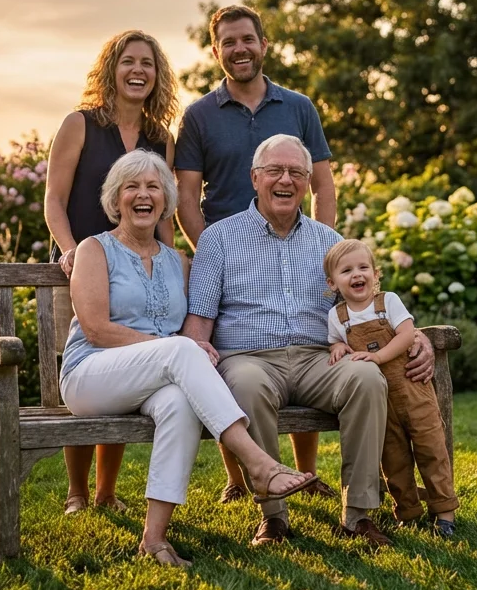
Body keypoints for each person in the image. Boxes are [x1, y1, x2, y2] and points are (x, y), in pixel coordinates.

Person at [61, 149, 318, 567]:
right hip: (90, 376)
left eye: (153, 187)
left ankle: (154, 538)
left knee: (181, 403)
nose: (143, 195)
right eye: (131, 187)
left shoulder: (178, 262)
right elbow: (96, 329)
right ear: (116, 199)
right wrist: (176, 348)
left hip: (154, 379)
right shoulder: (94, 249)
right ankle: (258, 464)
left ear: (165, 199)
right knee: (181, 347)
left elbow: (194, 324)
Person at [181, 134, 436, 547]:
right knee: (245, 385)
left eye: (296, 172)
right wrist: (195, 354)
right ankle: (273, 516)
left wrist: (416, 334)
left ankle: (358, 515)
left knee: (367, 379)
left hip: (321, 358)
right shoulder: (219, 238)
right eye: (275, 171)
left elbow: (368, 305)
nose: (286, 180)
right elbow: (200, 317)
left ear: (306, 182)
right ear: (255, 178)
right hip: (249, 358)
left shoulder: (328, 242)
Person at [173, 4, 337, 504]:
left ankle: (304, 471)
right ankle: (241, 477)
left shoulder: (299, 107)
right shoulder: (199, 116)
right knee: (237, 357)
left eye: (247, 39)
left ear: (264, 45)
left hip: (296, 246)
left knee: (303, 340)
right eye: (228, 42)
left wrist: (321, 252)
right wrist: (214, 256)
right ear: (216, 50)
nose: (239, 49)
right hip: (229, 257)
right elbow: (186, 197)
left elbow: (323, 185)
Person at [45, 30, 179, 516]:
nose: (137, 71)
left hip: (138, 269)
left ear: (158, 75)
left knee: (127, 366)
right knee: (88, 368)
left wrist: (169, 268)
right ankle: (77, 492)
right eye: (128, 61)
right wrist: (70, 252)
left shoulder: (161, 137)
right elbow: (54, 200)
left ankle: (106, 491)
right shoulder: (79, 124)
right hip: (82, 268)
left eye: (147, 63)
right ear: (111, 69)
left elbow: (163, 214)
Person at [324, 240, 459, 537]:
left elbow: (407, 334)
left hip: (413, 391)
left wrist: (378, 357)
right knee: (393, 460)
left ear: (375, 274)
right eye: (346, 270)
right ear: (332, 283)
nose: (356, 274)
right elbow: (336, 342)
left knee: (431, 450)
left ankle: (444, 513)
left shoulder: (388, 302)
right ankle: (408, 512)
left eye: (363, 267)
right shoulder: (338, 316)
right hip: (382, 403)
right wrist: (337, 348)